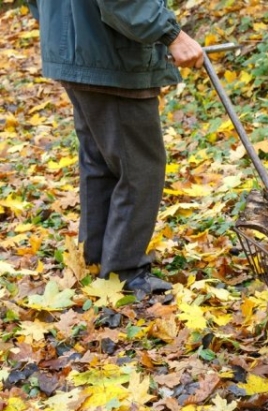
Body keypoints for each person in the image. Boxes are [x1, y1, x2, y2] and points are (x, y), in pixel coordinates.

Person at [27, 0, 204, 297]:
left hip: (79, 49)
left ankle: (95, 258)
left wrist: (64, 28)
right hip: (111, 55)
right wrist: (173, 34)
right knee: (139, 169)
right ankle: (124, 271)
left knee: (99, 163)